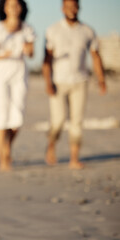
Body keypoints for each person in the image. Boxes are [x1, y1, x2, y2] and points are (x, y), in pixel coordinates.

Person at [42, 0, 106, 169]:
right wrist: (47, 82)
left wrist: (101, 80)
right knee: (58, 120)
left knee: (77, 122)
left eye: (74, 6)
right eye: (68, 6)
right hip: (58, 82)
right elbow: (46, 60)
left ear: (79, 8)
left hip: (80, 81)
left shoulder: (87, 31)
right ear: (62, 8)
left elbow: (96, 56)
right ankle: (51, 146)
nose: (71, 9)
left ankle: (74, 158)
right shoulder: (53, 30)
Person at [0, 0, 35, 172]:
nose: (13, 8)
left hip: (19, 73)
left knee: (17, 117)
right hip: (0, 74)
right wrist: (3, 55)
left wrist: (28, 49)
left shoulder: (27, 29)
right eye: (9, 5)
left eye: (16, 4)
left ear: (22, 7)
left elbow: (31, 53)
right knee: (0, 114)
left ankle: (6, 147)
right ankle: (3, 159)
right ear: (3, 8)